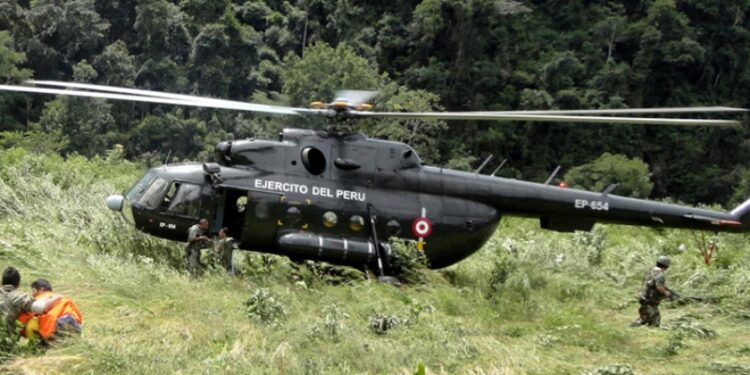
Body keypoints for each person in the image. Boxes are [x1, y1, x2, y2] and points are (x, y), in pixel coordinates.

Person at [0, 267, 59, 345]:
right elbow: (39, 307)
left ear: (2, 282)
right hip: (5, 341)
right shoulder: (19, 297)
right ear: (18, 283)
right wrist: (57, 297)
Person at [18, 279, 83, 343]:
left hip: (58, 324)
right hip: (75, 323)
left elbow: (24, 317)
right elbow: (79, 317)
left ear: (41, 289)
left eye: (33, 291)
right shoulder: (63, 298)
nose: (32, 294)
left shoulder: (39, 298)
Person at [632, 256, 674, 327]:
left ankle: (651, 331)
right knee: (648, 318)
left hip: (643, 296)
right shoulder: (661, 275)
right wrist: (667, 294)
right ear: (666, 266)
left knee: (651, 317)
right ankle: (632, 329)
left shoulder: (650, 270)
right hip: (649, 300)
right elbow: (659, 287)